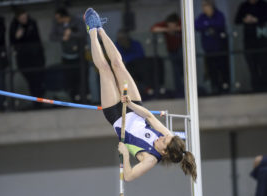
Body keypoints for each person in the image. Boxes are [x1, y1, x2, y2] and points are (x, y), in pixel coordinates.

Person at [84, 8, 197, 182]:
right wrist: (130, 104)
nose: (163, 135)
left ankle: (91, 31)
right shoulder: (170, 138)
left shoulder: (150, 159)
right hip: (134, 108)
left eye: (164, 140)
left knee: (105, 70)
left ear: (163, 151)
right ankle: (100, 28)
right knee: (118, 64)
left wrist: (125, 155)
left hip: (116, 116)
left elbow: (128, 177)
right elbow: (150, 117)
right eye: (166, 136)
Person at [9, 8, 45, 108]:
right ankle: (36, 101)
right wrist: (17, 37)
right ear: (18, 18)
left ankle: (39, 101)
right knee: (31, 80)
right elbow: (12, 42)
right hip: (24, 59)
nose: (24, 19)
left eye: (25, 17)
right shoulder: (14, 26)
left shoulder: (32, 23)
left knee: (38, 80)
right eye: (21, 18)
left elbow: (37, 40)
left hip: (36, 58)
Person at [49, 8, 87, 102]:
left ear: (64, 16)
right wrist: (63, 37)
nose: (57, 21)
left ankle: (84, 97)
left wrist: (71, 34)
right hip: (66, 56)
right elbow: (52, 37)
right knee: (68, 79)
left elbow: (83, 33)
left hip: (79, 56)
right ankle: (72, 97)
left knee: (81, 77)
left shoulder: (76, 21)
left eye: (58, 18)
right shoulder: (57, 24)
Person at [195, 0, 230, 95]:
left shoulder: (219, 15)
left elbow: (220, 25)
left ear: (211, 6)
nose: (203, 8)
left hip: (221, 49)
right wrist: (209, 25)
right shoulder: (202, 17)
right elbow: (196, 25)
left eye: (205, 6)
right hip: (208, 49)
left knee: (223, 69)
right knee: (212, 70)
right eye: (202, 6)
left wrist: (208, 25)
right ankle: (215, 89)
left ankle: (225, 88)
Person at [235, 0, 267, 92]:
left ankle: (264, 87)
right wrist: (245, 19)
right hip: (248, 41)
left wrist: (256, 20)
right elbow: (237, 20)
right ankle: (256, 88)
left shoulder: (263, 5)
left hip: (262, 40)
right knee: (252, 66)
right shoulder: (244, 6)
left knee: (263, 65)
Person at [151, 13, 184, 98]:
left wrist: (176, 29)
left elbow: (189, 27)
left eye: (173, 25)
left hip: (183, 51)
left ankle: (184, 89)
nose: (171, 27)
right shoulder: (164, 25)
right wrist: (167, 29)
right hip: (172, 52)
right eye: (169, 25)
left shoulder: (181, 23)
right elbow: (153, 29)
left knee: (183, 71)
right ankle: (180, 92)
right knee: (176, 72)